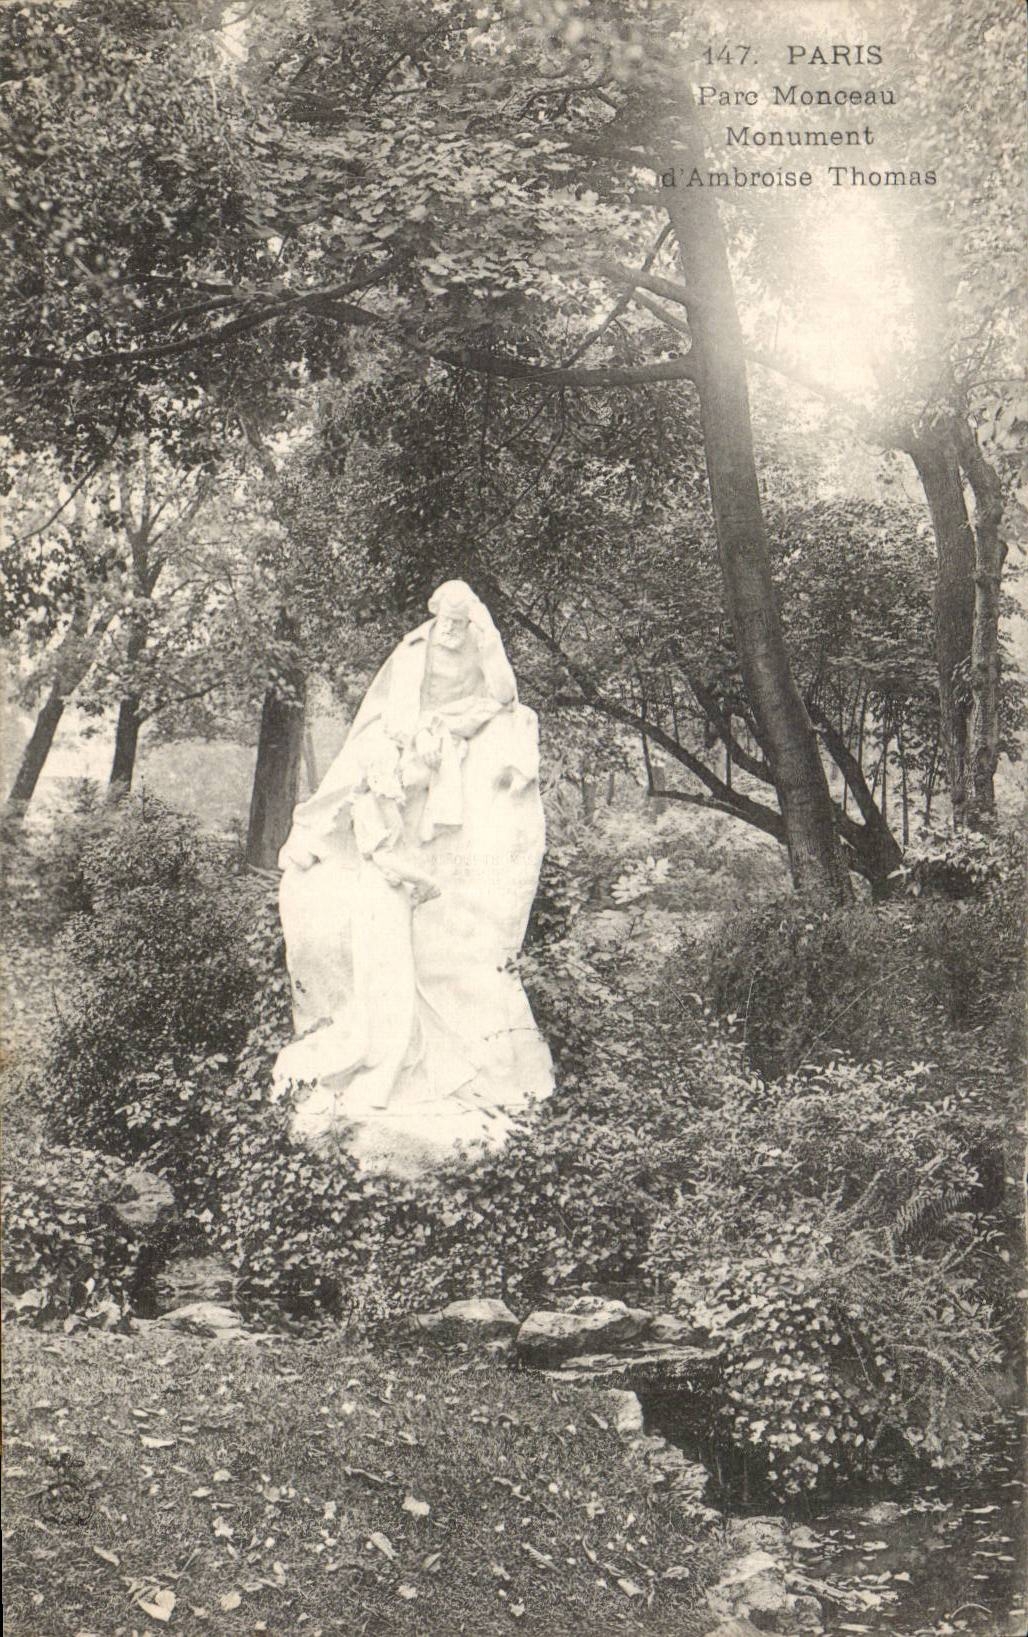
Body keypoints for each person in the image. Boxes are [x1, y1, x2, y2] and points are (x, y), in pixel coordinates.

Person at [272, 581, 554, 1175]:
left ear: (470, 619)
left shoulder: (478, 641)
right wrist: (414, 741)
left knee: (507, 727)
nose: (450, 631)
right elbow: (395, 714)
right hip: (404, 739)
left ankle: (407, 1066)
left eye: (460, 621)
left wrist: (489, 642)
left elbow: (503, 694)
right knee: (355, 767)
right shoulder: (415, 650)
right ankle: (310, 831)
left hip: (448, 734)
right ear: (433, 618)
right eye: (444, 621)